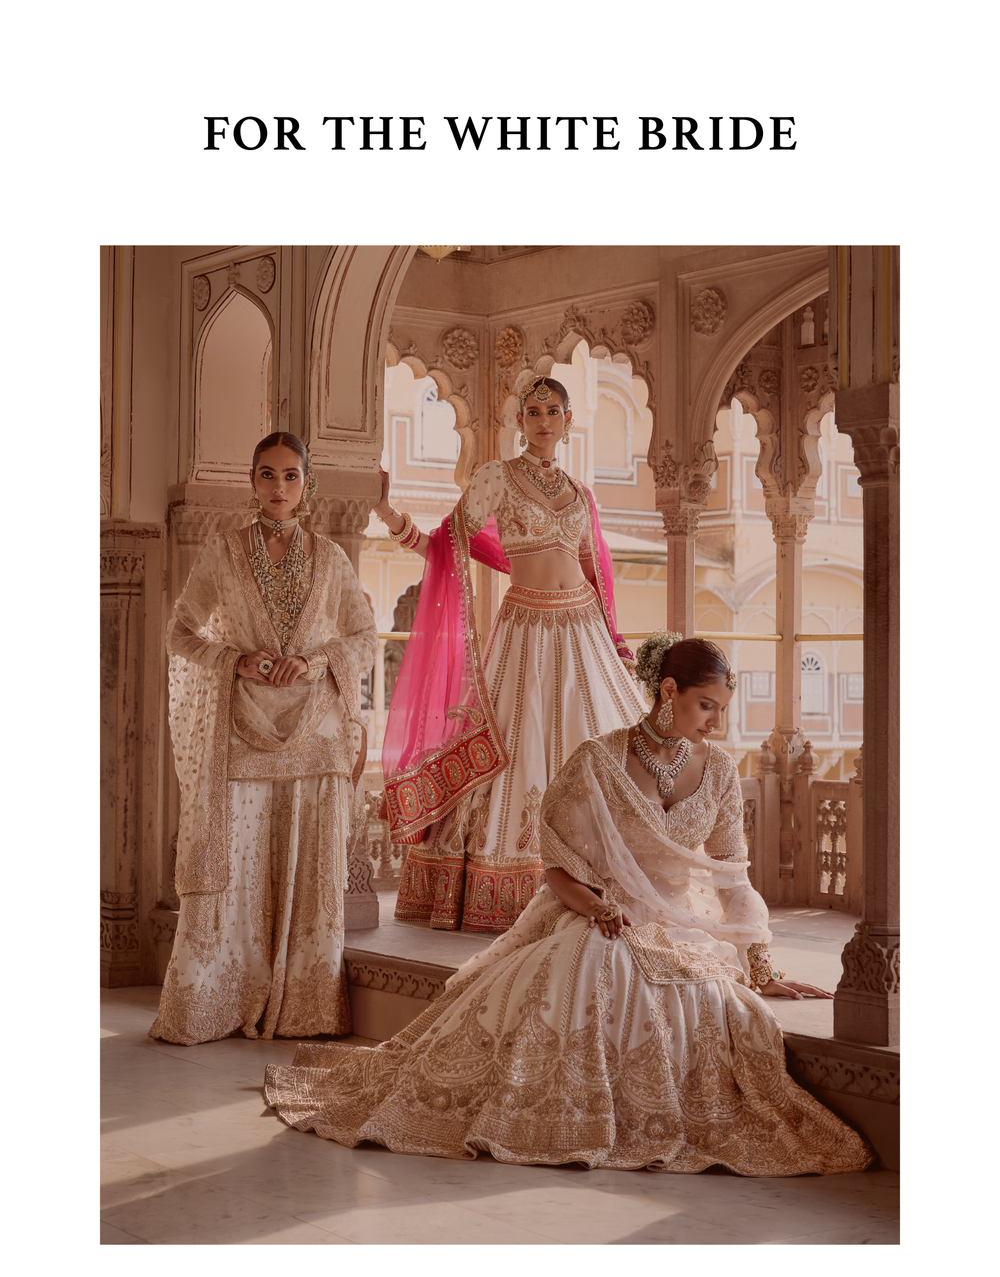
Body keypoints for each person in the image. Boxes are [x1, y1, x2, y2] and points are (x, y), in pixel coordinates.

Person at [263, 634, 871, 1175]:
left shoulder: (719, 774)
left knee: (722, 1005)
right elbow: (555, 867)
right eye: (706, 706)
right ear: (668, 691)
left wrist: (760, 965)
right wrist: (598, 908)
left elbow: (732, 877)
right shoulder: (598, 762)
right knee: (600, 962)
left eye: (722, 708)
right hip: (592, 914)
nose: (717, 722)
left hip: (675, 928)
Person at [374, 374, 646, 935]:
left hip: (584, 635)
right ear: (520, 422)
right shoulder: (496, 478)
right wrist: (389, 515)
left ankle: (605, 882)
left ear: (568, 421)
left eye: (553, 410)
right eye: (533, 411)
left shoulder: (581, 494)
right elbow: (446, 545)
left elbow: (596, 572)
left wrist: (616, 642)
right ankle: (515, 883)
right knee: (517, 746)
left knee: (598, 744)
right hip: (525, 633)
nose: (544, 420)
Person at [150, 432, 378, 1046]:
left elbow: (363, 637)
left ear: (308, 483)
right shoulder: (222, 552)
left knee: (309, 864)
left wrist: (314, 661)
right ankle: (216, 998)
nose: (280, 487)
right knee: (236, 861)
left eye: (291, 475)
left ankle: (303, 1003)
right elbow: (180, 632)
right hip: (242, 728)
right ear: (252, 481)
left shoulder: (331, 558)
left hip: (316, 730)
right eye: (268, 475)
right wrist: (235, 660)